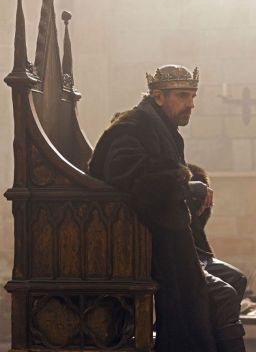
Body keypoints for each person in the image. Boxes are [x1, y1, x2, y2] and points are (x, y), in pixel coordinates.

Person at [89, 64, 247, 352]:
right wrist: (185, 186)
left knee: (235, 279)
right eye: (183, 96)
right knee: (220, 294)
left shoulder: (161, 126)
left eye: (193, 96)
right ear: (158, 96)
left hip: (166, 237)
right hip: (143, 244)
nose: (191, 104)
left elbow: (170, 171)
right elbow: (125, 174)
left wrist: (193, 180)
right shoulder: (131, 128)